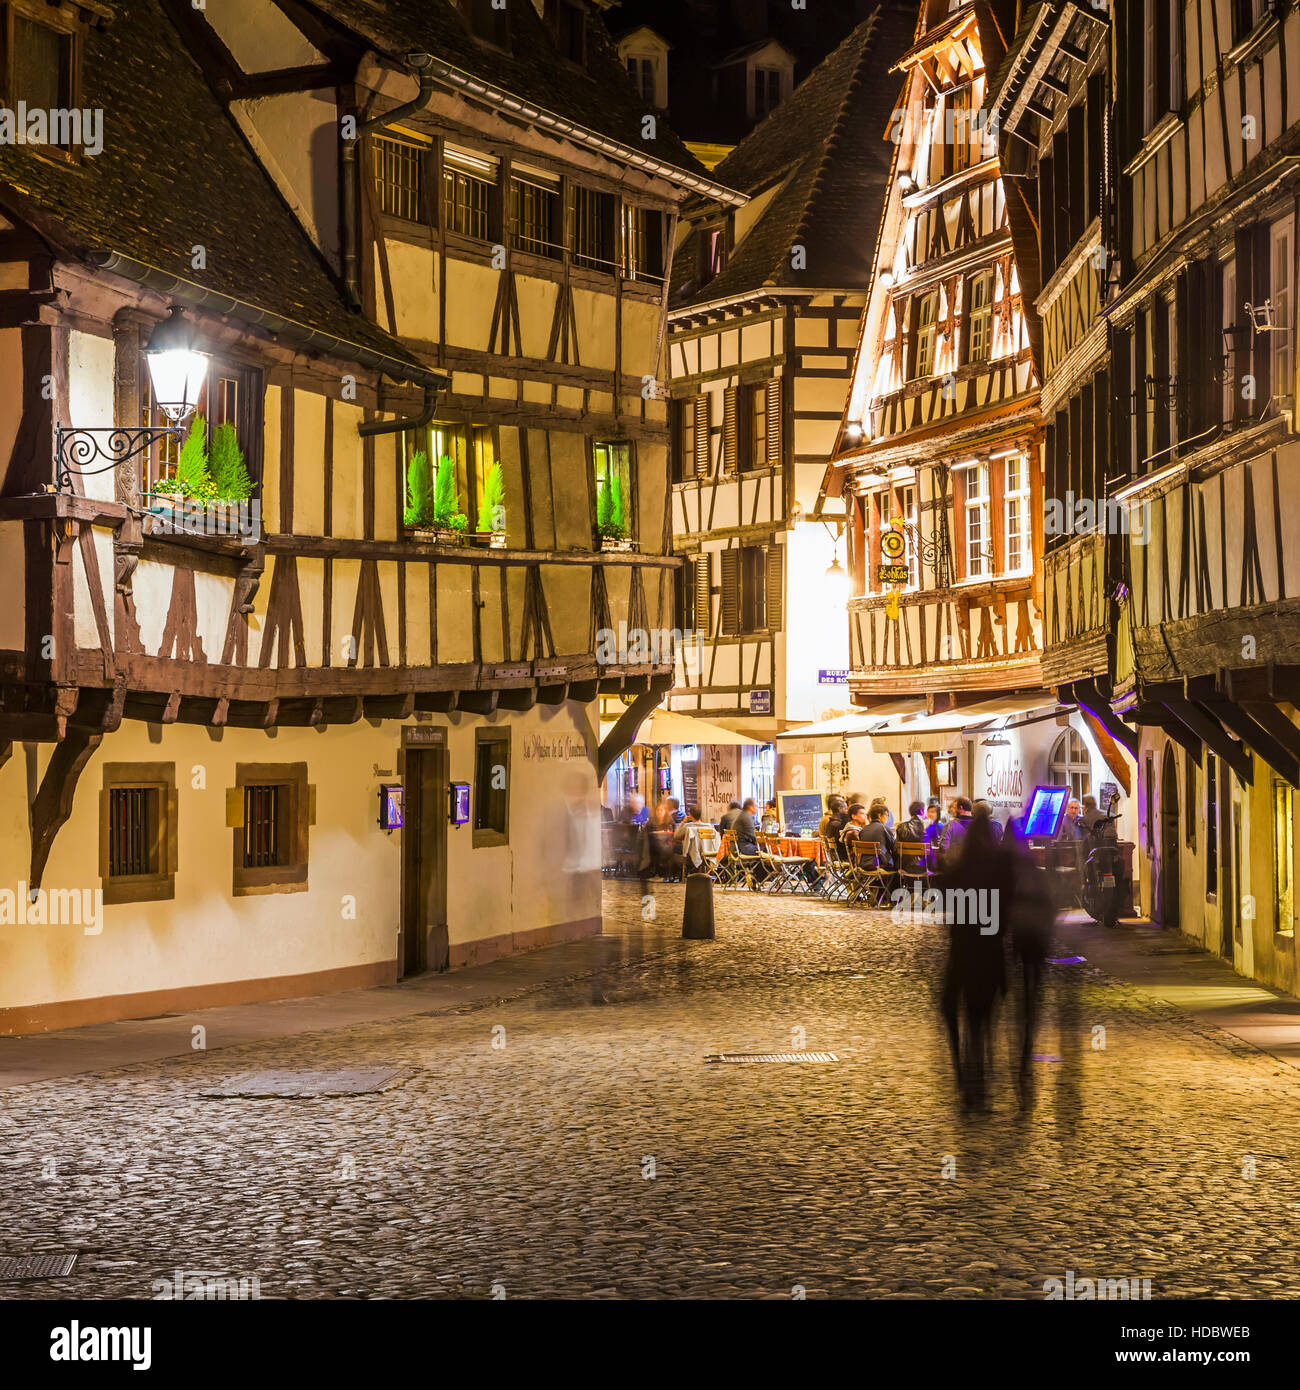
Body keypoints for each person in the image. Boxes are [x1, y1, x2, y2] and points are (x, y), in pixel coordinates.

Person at [938, 806, 1014, 1112]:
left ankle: (964, 1075)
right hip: (990, 954)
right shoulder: (999, 872)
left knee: (958, 1015)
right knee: (982, 1021)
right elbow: (1005, 915)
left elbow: (946, 908)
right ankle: (979, 1076)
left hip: (962, 954)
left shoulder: (958, 871)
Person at [937, 796, 973, 865]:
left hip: (955, 867)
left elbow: (944, 847)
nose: (952, 810)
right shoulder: (980, 825)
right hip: (976, 868)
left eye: (954, 807)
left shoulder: (950, 825)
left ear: (961, 808)